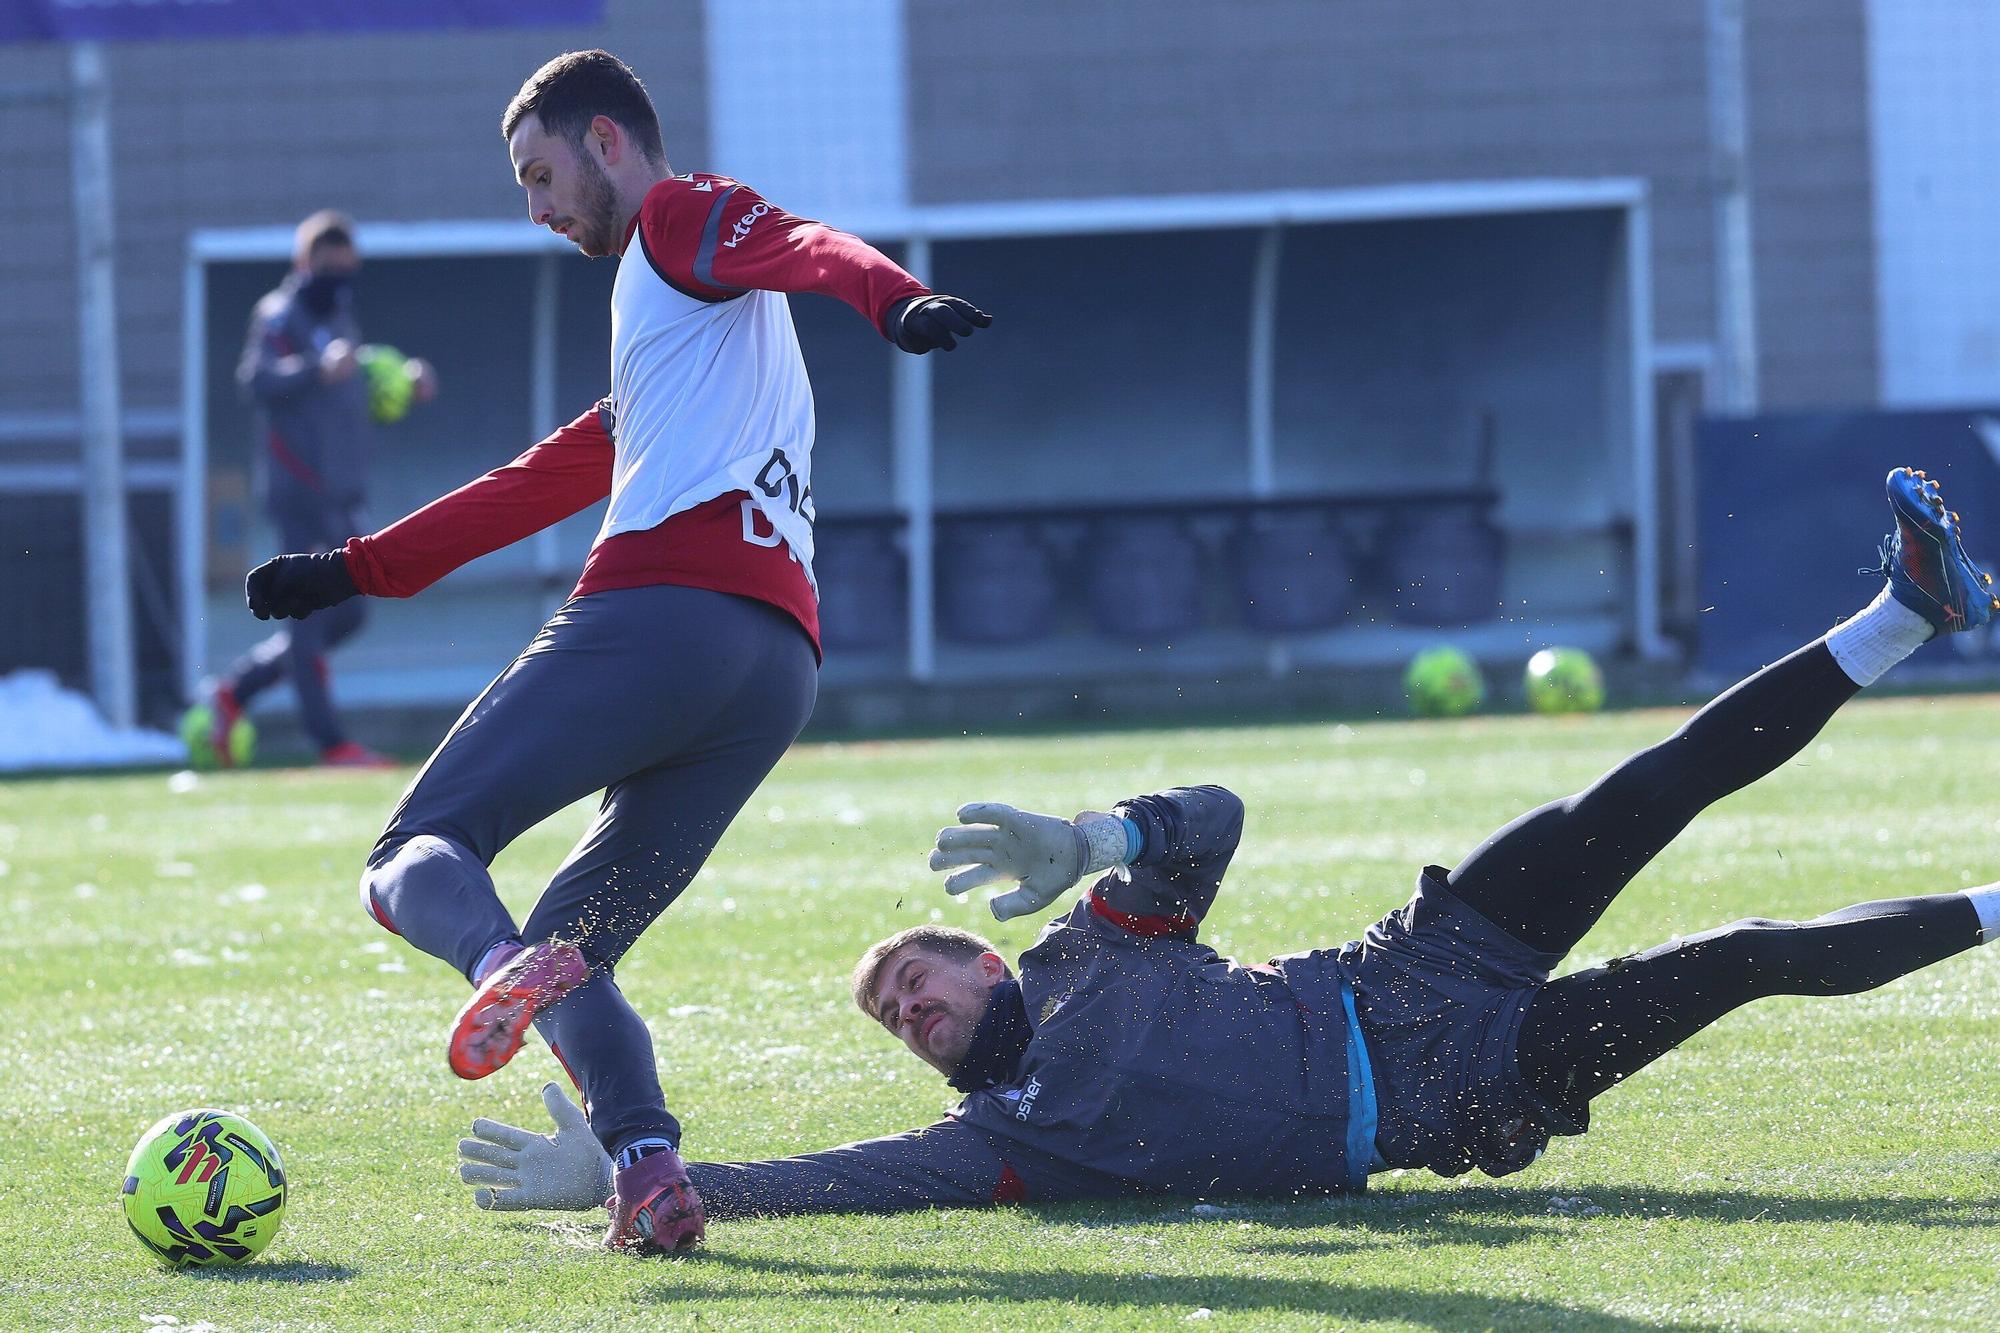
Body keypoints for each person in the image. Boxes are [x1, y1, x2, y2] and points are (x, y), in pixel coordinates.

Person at [456, 467, 2000, 1229]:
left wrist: (1089, 832)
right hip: (1452, 1086)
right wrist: (643, 1160)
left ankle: (1905, 610)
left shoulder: (1084, 945)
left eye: (917, 976)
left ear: (985, 949)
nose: (912, 1009)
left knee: (1648, 785)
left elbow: (1217, 827)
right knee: (1735, 961)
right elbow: (827, 1185)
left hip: (1417, 962)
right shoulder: (1008, 1138)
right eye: (897, 1016)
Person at [239, 49, 990, 1254]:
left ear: (605, 141)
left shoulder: (681, 219)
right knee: (577, 951)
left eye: (538, 176)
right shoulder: (676, 334)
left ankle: (497, 961)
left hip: (662, 618)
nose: (537, 211)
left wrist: (893, 298)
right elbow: (541, 477)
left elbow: (806, 243)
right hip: (775, 669)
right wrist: (356, 568)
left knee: (409, 854)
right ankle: (649, 1173)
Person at [185, 210, 438, 769]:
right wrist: (313, 369)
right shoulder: (279, 315)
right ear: (304, 263)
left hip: (343, 493)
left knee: (348, 614)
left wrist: (405, 381)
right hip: (299, 491)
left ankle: (234, 691)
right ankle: (331, 743)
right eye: (329, 268)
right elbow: (257, 379)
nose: (339, 279)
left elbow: (361, 384)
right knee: (307, 613)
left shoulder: (341, 314)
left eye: (348, 269)